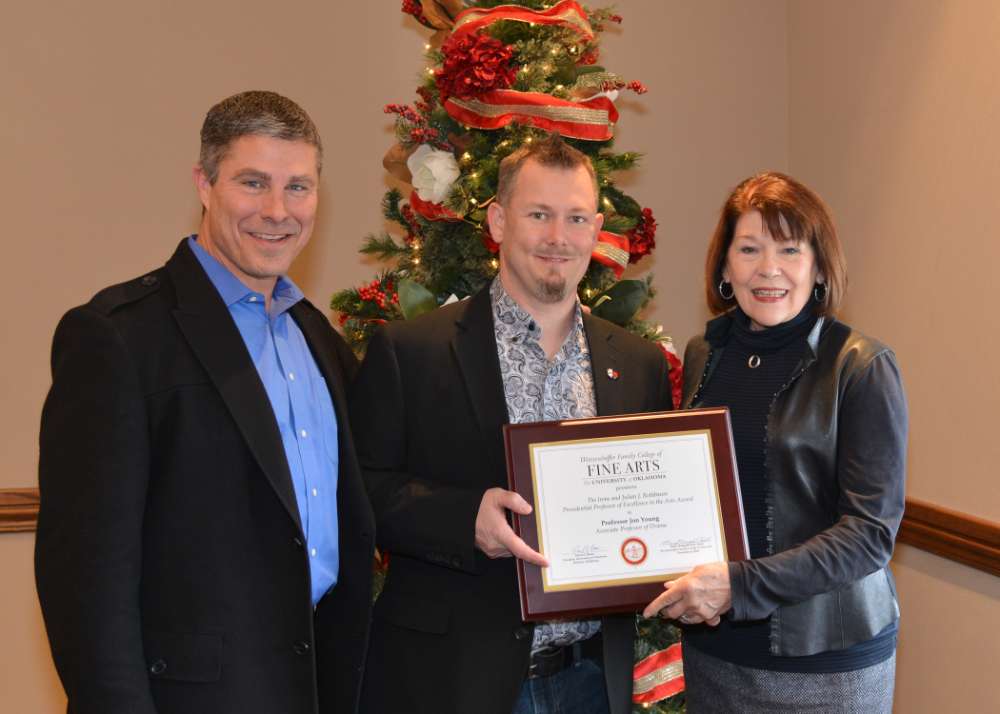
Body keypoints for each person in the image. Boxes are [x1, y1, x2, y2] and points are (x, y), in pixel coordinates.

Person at [35, 90, 374, 714]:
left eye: (298, 187)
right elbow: (84, 582)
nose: (278, 211)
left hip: (322, 687)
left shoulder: (318, 340)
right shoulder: (119, 337)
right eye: (253, 182)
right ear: (204, 183)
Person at [351, 135, 673, 714]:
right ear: (498, 221)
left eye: (576, 218)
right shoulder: (410, 351)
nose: (558, 238)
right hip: (454, 683)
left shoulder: (640, 365)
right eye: (539, 215)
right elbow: (362, 492)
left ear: (597, 229)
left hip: (591, 684)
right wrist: (463, 518)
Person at [642, 171, 907, 712]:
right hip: (715, 651)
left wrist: (739, 586)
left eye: (790, 248)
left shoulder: (861, 366)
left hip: (827, 663)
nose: (769, 269)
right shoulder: (704, 354)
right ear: (724, 265)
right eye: (749, 248)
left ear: (818, 265)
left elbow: (869, 534)